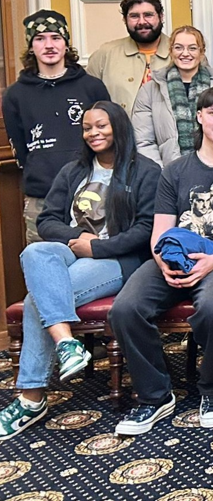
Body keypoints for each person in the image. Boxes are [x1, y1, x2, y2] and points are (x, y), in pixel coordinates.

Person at [109, 87, 213, 435]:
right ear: (199, 117)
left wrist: (210, 263)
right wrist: (162, 260)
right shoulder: (175, 170)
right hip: (173, 255)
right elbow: (160, 231)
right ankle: (154, 396)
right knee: (125, 309)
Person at [0, 101, 160, 441]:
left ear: (118, 126)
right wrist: (79, 238)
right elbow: (47, 221)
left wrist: (98, 247)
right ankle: (67, 346)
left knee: (36, 301)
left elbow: (146, 230)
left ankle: (31, 398)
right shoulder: (73, 171)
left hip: (117, 261)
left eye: (101, 126)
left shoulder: (145, 171)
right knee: (35, 251)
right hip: (72, 251)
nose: (94, 133)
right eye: (87, 128)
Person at [2, 9, 111, 244]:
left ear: (66, 44)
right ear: (31, 47)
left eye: (56, 38)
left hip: (91, 193)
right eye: (40, 39)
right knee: (42, 266)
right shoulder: (15, 95)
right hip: (41, 198)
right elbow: (20, 148)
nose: (48, 45)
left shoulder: (91, 88)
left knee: (91, 269)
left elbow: (108, 138)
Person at [132, 26, 213, 166]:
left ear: (202, 52)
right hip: (167, 172)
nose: (185, 53)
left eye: (192, 48)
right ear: (171, 51)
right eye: (178, 48)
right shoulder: (150, 90)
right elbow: (143, 141)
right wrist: (162, 173)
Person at [86, 0, 170, 115]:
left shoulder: (182, 53)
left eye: (148, 15)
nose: (142, 22)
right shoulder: (106, 54)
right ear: (125, 20)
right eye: (134, 16)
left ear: (161, 16)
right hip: (119, 133)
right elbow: (87, 99)